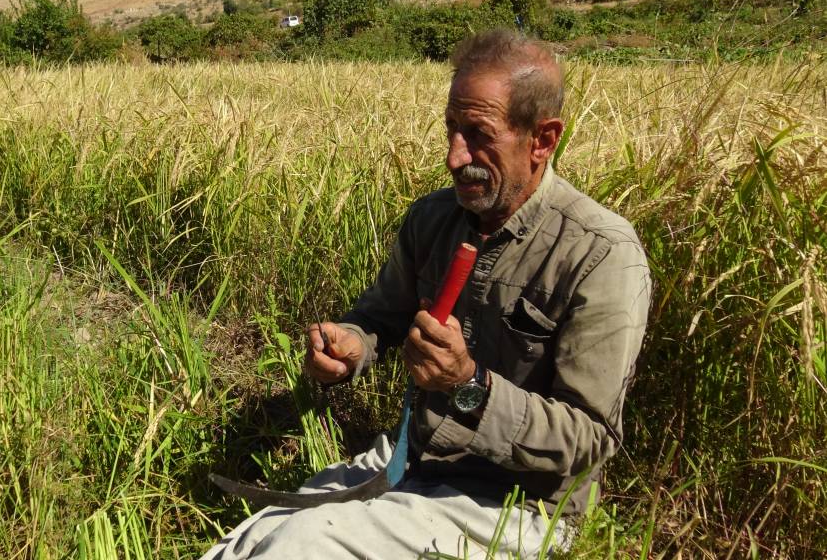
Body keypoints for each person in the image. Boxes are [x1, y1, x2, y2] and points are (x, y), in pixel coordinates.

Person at [203, 29, 652, 559]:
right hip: (413, 460)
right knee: (254, 538)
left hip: (516, 505)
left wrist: (470, 387)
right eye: (451, 129)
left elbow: (590, 438)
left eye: (479, 134)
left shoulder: (600, 253)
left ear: (543, 139)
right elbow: (381, 316)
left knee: (299, 546)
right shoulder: (434, 220)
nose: (454, 156)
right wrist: (350, 343)